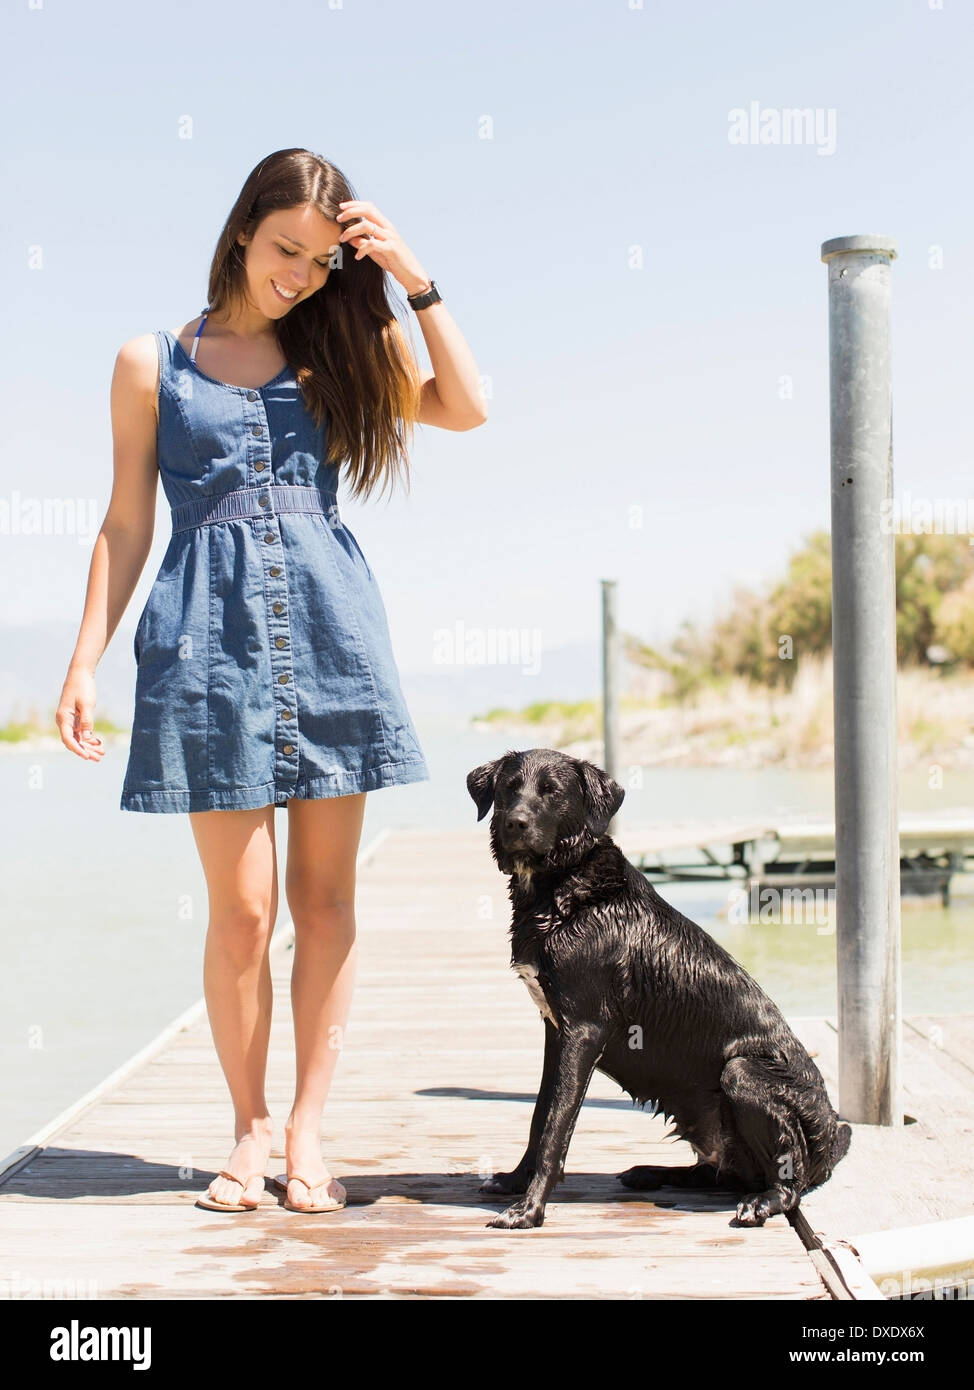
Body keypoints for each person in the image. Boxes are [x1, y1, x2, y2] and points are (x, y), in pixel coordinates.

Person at [55, 148, 486, 1214]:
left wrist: (411, 276)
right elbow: (124, 520)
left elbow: (466, 407)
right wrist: (80, 663)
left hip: (332, 634)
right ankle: (245, 1128)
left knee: (325, 901)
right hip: (204, 646)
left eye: (320, 257)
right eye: (284, 248)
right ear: (244, 228)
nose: (297, 273)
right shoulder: (151, 359)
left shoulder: (345, 340)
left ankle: (305, 1134)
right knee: (242, 912)